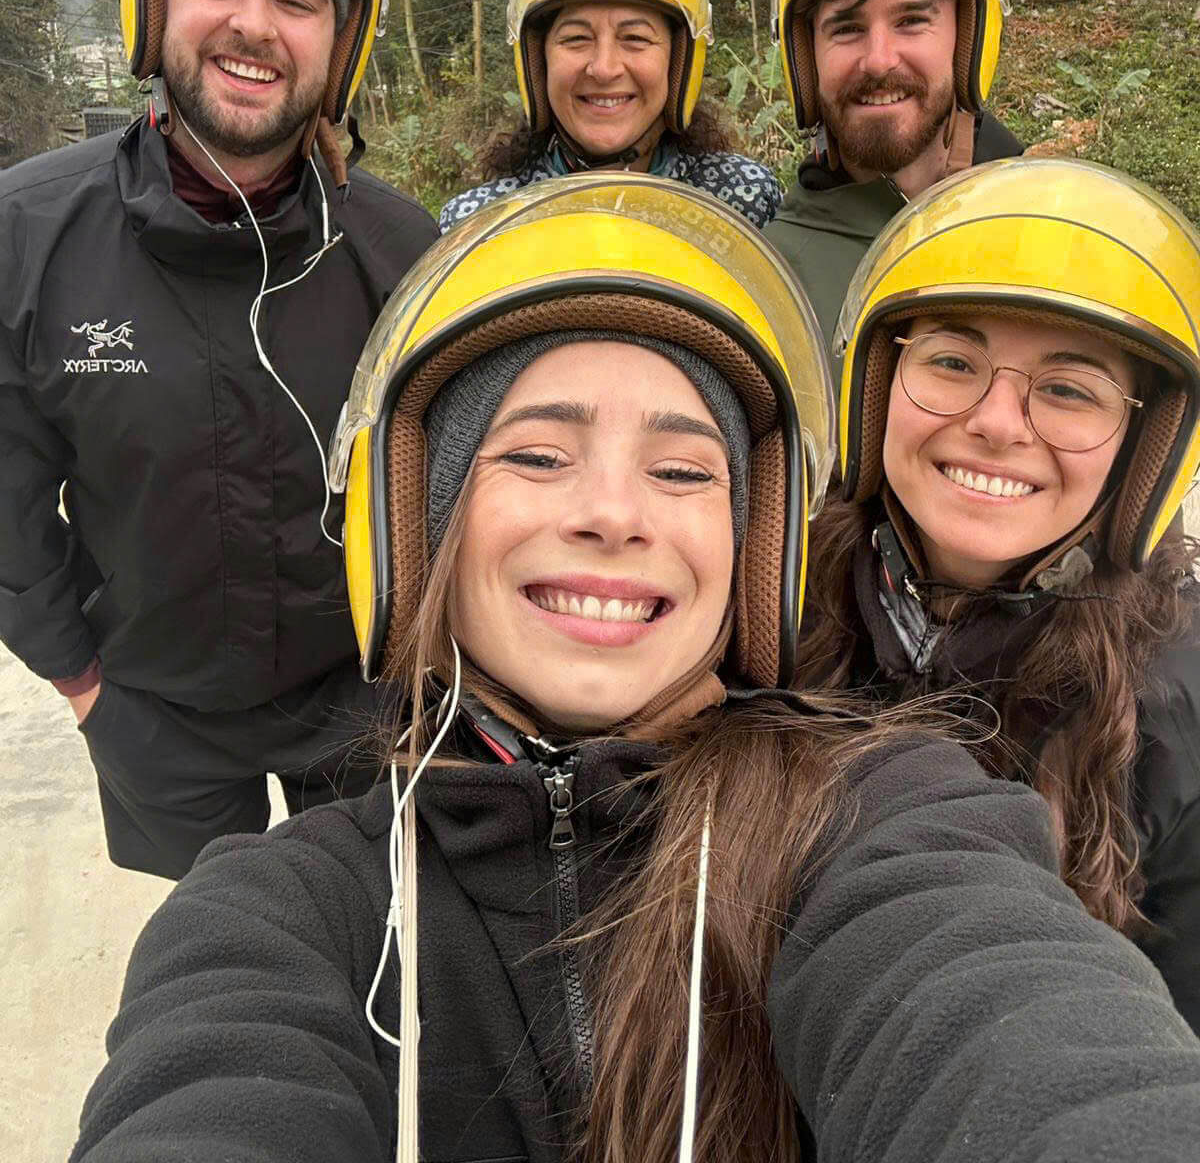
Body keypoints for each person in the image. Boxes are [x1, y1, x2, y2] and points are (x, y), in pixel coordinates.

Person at [73, 176, 1200, 1163]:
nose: (613, 513)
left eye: (680, 467)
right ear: (421, 528)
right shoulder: (289, 908)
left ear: (754, 553)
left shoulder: (877, 814)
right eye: (537, 454)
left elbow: (1016, 1027)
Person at [0, 0, 438, 880]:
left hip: (361, 705)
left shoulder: (399, 249)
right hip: (159, 712)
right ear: (154, 4)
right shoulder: (29, 233)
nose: (254, 21)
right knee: (214, 977)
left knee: (377, 963)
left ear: (342, 45)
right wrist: (80, 679)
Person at [798, 156, 1200, 1032]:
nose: (994, 422)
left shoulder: (1176, 710)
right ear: (874, 391)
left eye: (1067, 389)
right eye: (950, 360)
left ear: (1146, 452)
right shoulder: (777, 603)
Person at [765, 0, 1023, 350]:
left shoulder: (1053, 231)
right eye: (845, 28)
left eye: (911, 21)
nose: (879, 59)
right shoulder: (767, 282)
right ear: (805, 60)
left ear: (967, 42)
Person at [439, 0, 782, 230]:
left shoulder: (743, 202)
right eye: (576, 38)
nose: (604, 69)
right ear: (538, 62)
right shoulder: (479, 224)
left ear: (678, 62)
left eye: (635, 38)